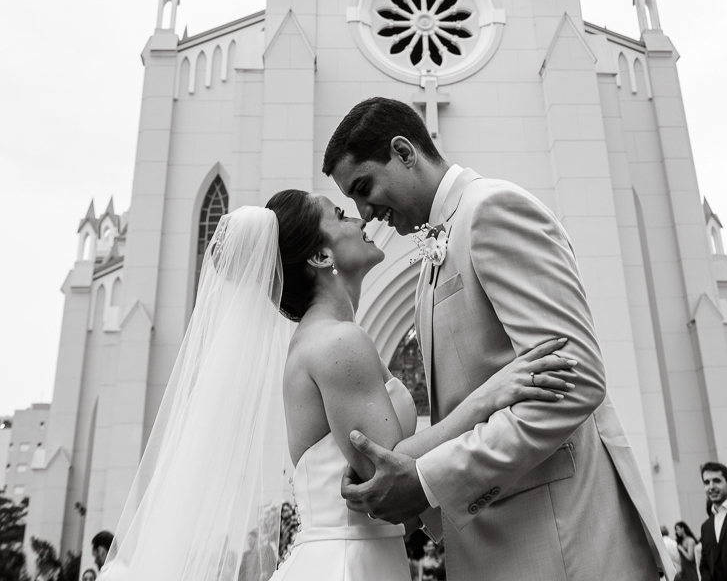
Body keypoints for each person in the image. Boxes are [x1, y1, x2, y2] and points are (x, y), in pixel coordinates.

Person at [102, 200, 577, 581]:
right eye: (341, 214)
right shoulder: (336, 341)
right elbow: (386, 469)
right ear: (321, 256)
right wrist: (490, 395)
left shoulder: (322, 338)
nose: (359, 216)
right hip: (348, 565)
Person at [325, 97, 673, 581]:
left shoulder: (493, 211)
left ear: (404, 152)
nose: (365, 213)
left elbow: (575, 382)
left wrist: (427, 481)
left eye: (364, 188)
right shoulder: (433, 252)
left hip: (560, 544)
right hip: (497, 544)